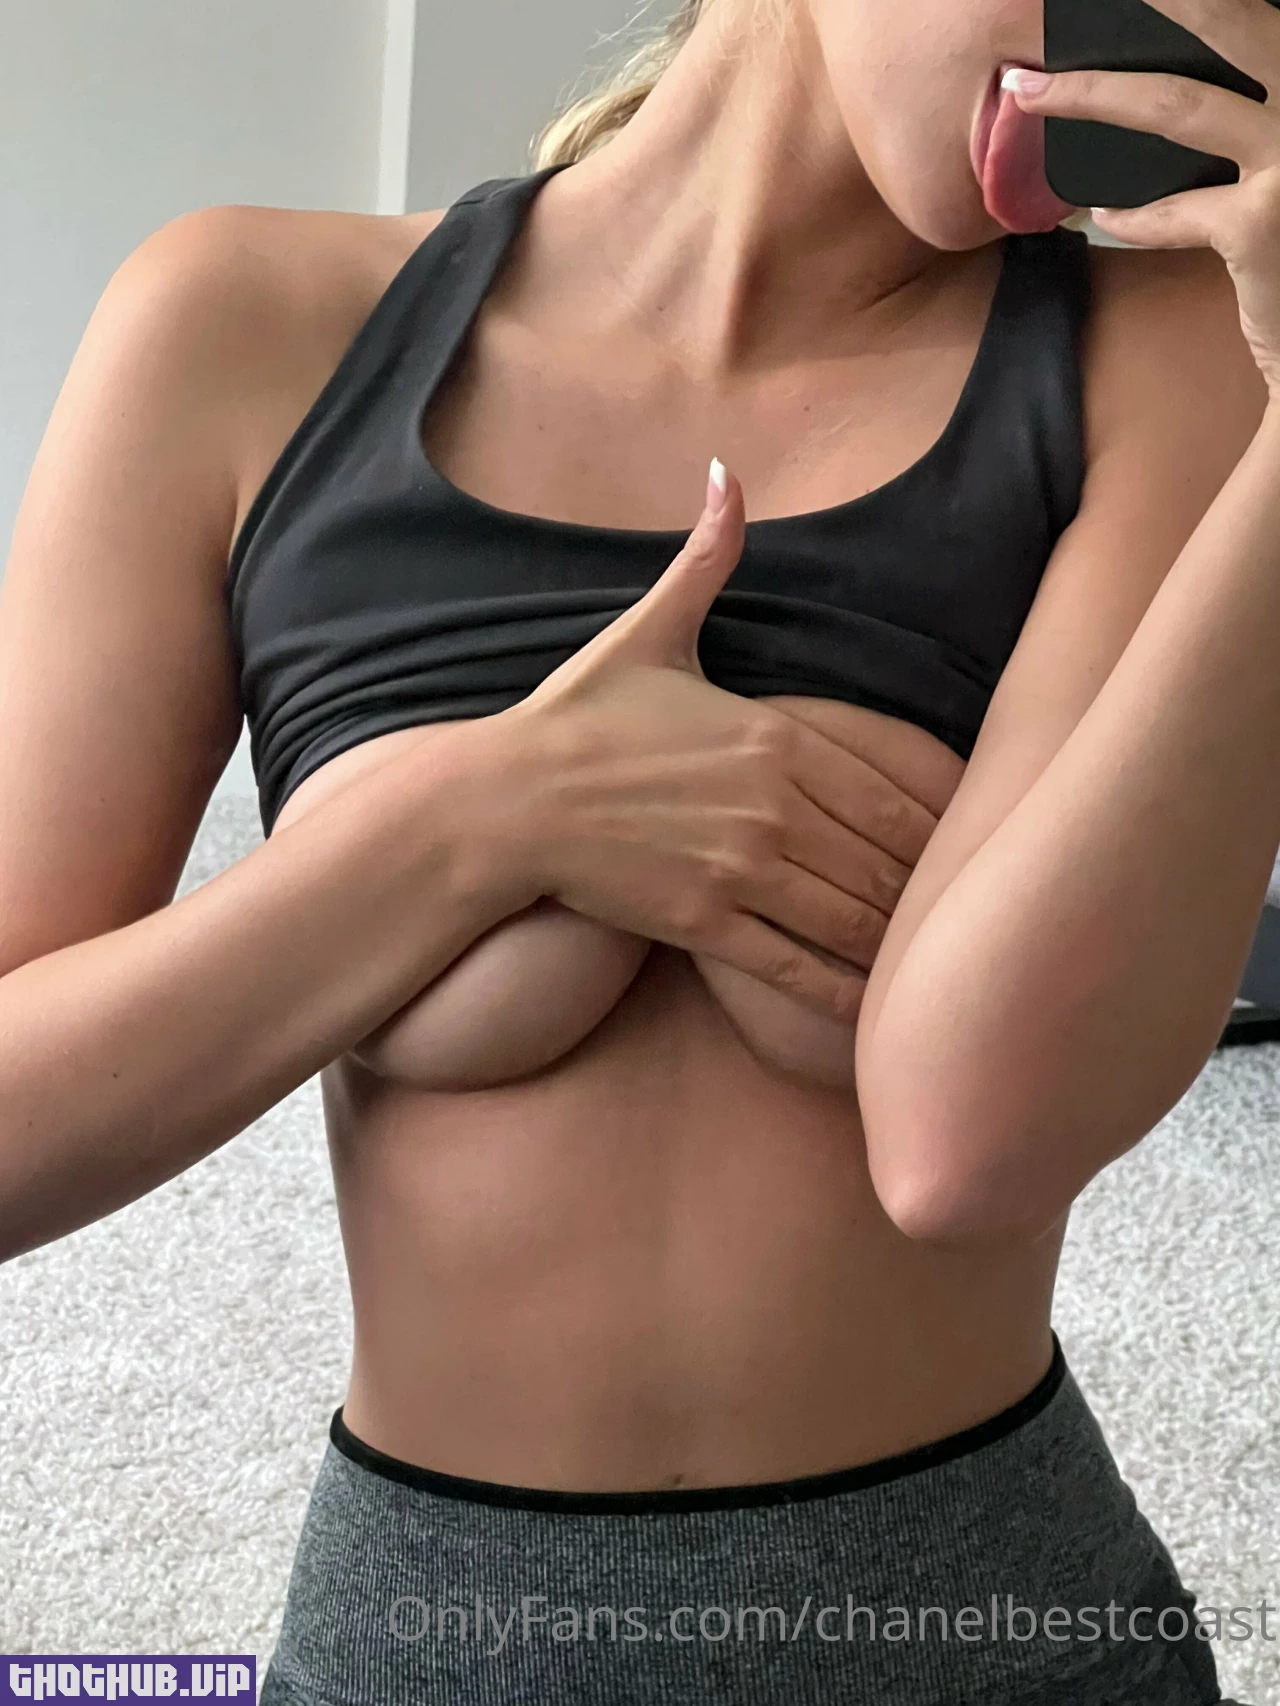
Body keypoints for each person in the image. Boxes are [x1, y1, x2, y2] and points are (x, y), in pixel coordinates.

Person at [0, 0, 1275, 1696]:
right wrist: (488, 814)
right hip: (431, 1643)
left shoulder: (1185, 363)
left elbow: (961, 1143)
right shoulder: (241, 330)